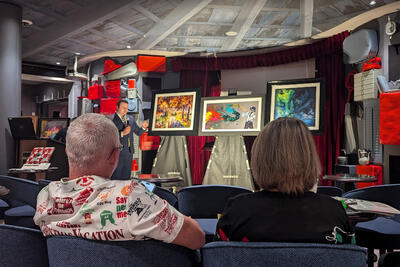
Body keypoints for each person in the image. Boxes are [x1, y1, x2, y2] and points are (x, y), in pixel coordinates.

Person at [33, 113, 205, 250]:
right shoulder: (130, 196)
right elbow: (197, 238)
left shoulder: (45, 195)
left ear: (67, 151)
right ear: (115, 155)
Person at [215, 117, 355, 244]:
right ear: (309, 159)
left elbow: (218, 257)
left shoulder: (236, 210)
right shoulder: (334, 212)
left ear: (259, 158)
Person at [111, 99, 148, 180]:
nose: (125, 110)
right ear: (117, 107)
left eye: (127, 108)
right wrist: (122, 133)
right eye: (123, 107)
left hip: (129, 152)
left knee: (126, 177)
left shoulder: (130, 119)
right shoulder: (111, 120)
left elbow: (138, 132)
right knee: (117, 177)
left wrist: (143, 127)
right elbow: (108, 137)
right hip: (118, 153)